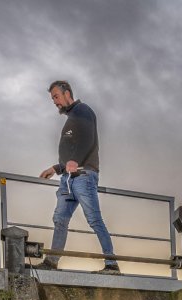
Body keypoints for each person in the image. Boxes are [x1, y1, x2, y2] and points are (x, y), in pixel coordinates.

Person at [36, 80, 120, 274]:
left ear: (67, 93)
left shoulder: (83, 111)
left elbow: (88, 139)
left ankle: (111, 264)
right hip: (67, 179)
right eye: (52, 98)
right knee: (60, 218)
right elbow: (71, 151)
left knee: (94, 219)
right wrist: (56, 168)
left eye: (56, 96)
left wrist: (75, 160)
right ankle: (51, 262)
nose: (54, 101)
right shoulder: (71, 118)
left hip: (83, 176)